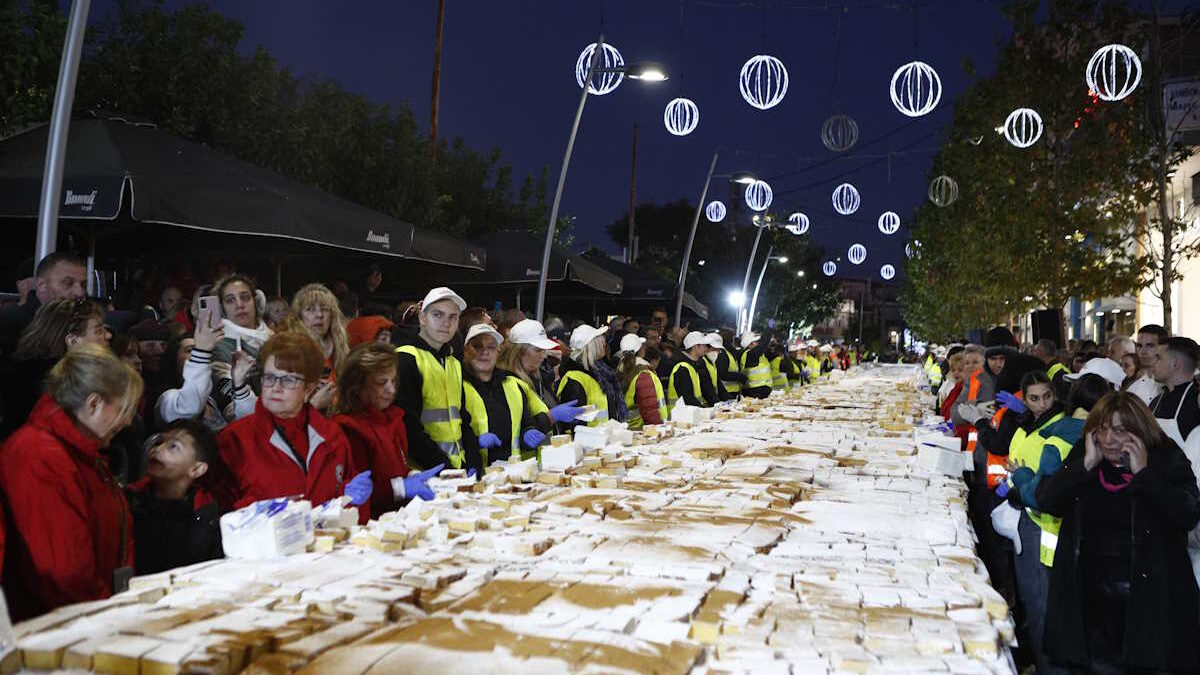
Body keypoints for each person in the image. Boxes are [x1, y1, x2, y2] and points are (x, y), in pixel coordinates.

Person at [1040, 393, 1200, 673]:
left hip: (1148, 602)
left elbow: (1186, 514)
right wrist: (1083, 467)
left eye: (1119, 430)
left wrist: (1145, 475)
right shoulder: (1086, 455)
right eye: (1101, 429)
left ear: (1139, 431)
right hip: (1089, 601)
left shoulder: (1165, 456)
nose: (1109, 439)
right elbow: (1048, 501)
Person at [0, 344, 140, 620]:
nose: (126, 422)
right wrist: (110, 620)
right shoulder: (40, 456)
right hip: (62, 632)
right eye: (122, 410)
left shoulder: (82, 452)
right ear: (94, 404)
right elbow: (64, 574)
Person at [217, 332, 373, 517]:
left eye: (289, 380)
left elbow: (351, 508)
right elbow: (221, 517)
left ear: (309, 389)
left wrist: (346, 500)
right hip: (265, 544)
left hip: (328, 543)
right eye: (269, 377)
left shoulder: (333, 436)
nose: (276, 387)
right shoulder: (234, 439)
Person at [994, 371, 1074, 675]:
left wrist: (1020, 484)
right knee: (1031, 599)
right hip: (1024, 517)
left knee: (1043, 603)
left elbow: (1046, 476)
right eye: (1034, 398)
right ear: (1023, 399)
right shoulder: (1026, 424)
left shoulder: (1059, 428)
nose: (1041, 404)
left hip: (1043, 524)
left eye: (1047, 396)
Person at [334, 342, 441, 517]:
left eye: (393, 381)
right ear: (357, 385)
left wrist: (413, 475)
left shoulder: (392, 418)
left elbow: (396, 469)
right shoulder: (348, 429)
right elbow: (361, 494)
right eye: (381, 383)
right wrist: (402, 486)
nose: (391, 390)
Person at [394, 287, 483, 473]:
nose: (446, 323)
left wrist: (473, 464)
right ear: (422, 318)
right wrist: (446, 468)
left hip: (456, 469)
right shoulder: (406, 359)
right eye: (438, 315)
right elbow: (408, 428)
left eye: (453, 317)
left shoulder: (453, 362)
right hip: (424, 472)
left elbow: (462, 418)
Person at [0, 298, 111, 439]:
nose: (108, 335)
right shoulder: (59, 389)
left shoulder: (21, 374)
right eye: (99, 330)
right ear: (73, 341)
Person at [125, 419, 224, 575]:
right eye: (159, 442)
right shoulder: (129, 501)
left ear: (197, 469)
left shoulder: (206, 517)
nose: (158, 449)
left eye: (173, 447)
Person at [461, 324, 555, 464]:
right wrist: (475, 443)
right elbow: (447, 434)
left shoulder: (512, 385)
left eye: (491, 347)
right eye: (477, 346)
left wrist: (528, 432)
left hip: (510, 474)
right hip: (472, 474)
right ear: (466, 351)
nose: (485, 352)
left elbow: (525, 424)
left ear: (497, 352)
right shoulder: (457, 386)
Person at [155, 307, 256, 432]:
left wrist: (240, 385)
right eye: (190, 350)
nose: (198, 354)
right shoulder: (163, 397)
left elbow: (249, 421)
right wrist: (201, 352)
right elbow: (189, 408)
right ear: (173, 360)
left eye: (199, 350)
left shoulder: (214, 395)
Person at [210, 275, 273, 425]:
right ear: (222, 309)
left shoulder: (277, 338)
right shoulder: (219, 345)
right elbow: (231, 407)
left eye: (245, 297)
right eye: (230, 300)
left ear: (256, 302)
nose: (239, 305)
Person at [0, 252, 87, 356]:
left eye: (83, 284)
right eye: (68, 283)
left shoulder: (82, 320)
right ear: (42, 285)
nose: (80, 292)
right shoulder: (11, 322)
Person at [499, 319, 574, 420]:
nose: (544, 355)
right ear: (519, 352)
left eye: (544, 350)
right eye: (538, 350)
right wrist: (551, 417)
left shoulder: (539, 378)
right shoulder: (505, 384)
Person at [290, 284, 349, 412]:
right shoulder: (290, 351)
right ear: (299, 316)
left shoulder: (341, 349)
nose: (319, 315)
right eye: (310, 309)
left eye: (325, 309)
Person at [558, 324, 626, 428]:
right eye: (600, 341)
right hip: (589, 441)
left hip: (605, 439)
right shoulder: (575, 379)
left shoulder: (601, 374)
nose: (604, 344)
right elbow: (573, 423)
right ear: (591, 346)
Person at [1149, 336, 1200, 447]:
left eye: (1158, 358)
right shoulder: (1156, 402)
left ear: (1175, 364)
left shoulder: (1196, 402)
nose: (1152, 363)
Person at [617, 333, 666, 430]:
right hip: (643, 431)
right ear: (641, 350)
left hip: (628, 430)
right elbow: (650, 410)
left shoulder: (620, 370)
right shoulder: (643, 375)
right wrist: (658, 431)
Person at [668, 331, 717, 413]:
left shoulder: (695, 364)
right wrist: (703, 411)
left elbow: (706, 389)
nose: (706, 348)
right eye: (704, 345)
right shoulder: (682, 368)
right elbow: (687, 398)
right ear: (695, 346)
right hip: (682, 417)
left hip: (692, 414)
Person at [1128, 324, 1169, 404]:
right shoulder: (1132, 389)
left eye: (1150, 346)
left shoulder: (1174, 383)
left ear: (1164, 347)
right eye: (1139, 346)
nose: (1143, 352)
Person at [738, 332, 773, 399]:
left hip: (759, 391)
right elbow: (764, 344)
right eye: (756, 342)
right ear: (749, 344)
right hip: (754, 391)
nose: (758, 343)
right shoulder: (750, 354)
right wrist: (769, 330)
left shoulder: (759, 356)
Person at [706, 333, 740, 398]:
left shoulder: (711, 361)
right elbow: (723, 374)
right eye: (714, 349)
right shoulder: (703, 362)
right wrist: (740, 376)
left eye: (719, 349)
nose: (717, 351)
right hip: (721, 394)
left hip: (723, 394)